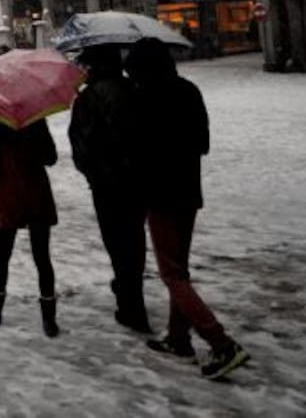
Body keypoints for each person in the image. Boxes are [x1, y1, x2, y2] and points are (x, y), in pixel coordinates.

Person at [125, 38, 250, 380]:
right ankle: (178, 338)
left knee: (172, 273)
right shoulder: (188, 91)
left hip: (160, 196)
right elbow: (203, 143)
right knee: (179, 267)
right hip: (188, 193)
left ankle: (221, 343)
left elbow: (136, 149)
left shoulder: (143, 99)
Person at [69, 44, 150, 334]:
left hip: (106, 183)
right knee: (134, 238)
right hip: (137, 179)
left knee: (116, 241)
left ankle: (130, 303)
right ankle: (132, 294)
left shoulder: (89, 97)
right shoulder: (135, 90)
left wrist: (94, 172)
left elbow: (80, 143)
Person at [0, 117, 60, 336]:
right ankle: (49, 318)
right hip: (37, 194)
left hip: (8, 195)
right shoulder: (35, 120)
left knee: (2, 255)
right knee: (42, 257)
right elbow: (51, 157)